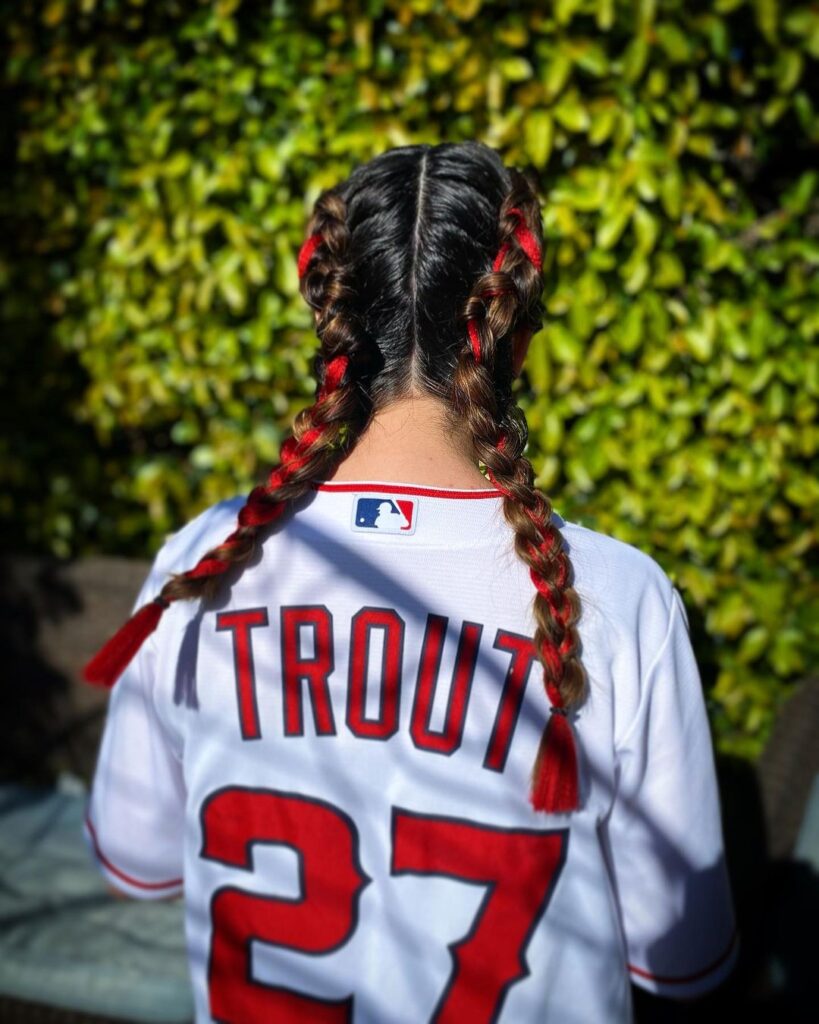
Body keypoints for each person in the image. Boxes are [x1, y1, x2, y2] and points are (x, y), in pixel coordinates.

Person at [81, 141, 740, 1024]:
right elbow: (679, 954)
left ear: (334, 322)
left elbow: (138, 858)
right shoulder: (623, 597)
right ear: (518, 328)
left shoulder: (204, 564)